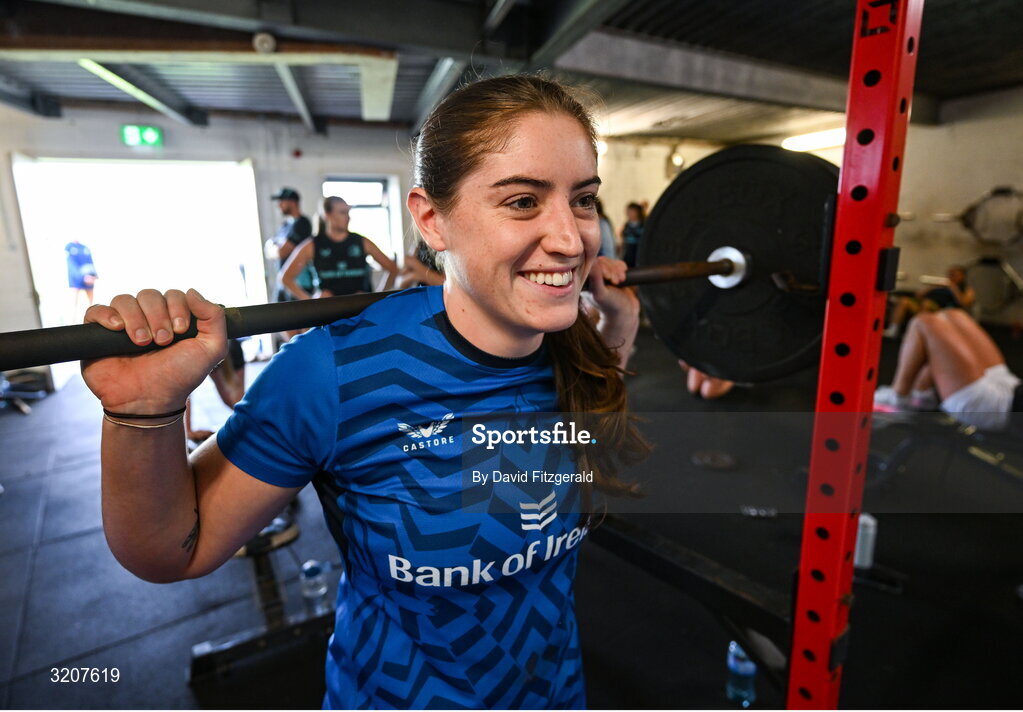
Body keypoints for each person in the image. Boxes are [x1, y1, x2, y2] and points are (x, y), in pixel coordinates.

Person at [81, 74, 649, 709]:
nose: (572, 239)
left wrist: (619, 322)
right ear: (433, 220)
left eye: (582, 199)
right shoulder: (334, 372)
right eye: (522, 202)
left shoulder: (571, 339)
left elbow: (591, 427)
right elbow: (170, 551)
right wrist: (142, 413)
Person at [874, 308, 1022, 431]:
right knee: (954, 315)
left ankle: (898, 397)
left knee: (923, 323)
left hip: (995, 408)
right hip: (1011, 386)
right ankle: (922, 395)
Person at [280, 196, 399, 298]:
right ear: (327, 215)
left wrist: (376, 298)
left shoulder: (362, 242)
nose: (348, 217)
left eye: (348, 212)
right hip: (329, 312)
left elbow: (393, 268)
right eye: (342, 212)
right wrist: (310, 301)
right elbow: (285, 278)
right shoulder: (312, 245)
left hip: (360, 311)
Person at [884, 265, 976, 338]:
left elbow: (964, 303)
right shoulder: (942, 285)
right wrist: (932, 287)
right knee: (903, 301)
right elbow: (919, 295)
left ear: (962, 276)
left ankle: (919, 333)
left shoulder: (966, 289)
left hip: (941, 309)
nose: (951, 276)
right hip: (923, 303)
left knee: (927, 304)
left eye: (955, 275)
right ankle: (893, 329)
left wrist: (954, 289)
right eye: (950, 274)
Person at [265, 187, 318, 303]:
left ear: (292, 202)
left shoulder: (302, 223)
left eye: (282, 201)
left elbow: (282, 251)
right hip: (283, 283)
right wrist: (273, 249)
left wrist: (274, 249)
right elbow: (268, 250)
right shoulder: (285, 225)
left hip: (299, 284)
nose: (279, 205)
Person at [66, 239, 98, 320]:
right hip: (76, 279)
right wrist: (82, 277)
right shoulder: (69, 247)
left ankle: (92, 319)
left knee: (91, 304)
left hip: (88, 277)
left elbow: (90, 261)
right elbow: (71, 265)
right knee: (74, 304)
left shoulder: (84, 247)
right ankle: (72, 321)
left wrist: (94, 275)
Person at [620, 202, 645, 267]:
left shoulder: (643, 225)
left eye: (631, 211)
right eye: (628, 211)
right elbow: (623, 239)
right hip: (628, 254)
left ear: (637, 212)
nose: (628, 214)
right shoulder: (627, 225)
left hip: (639, 253)